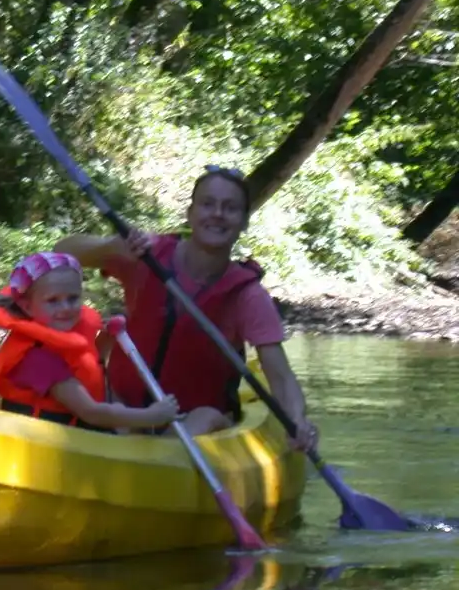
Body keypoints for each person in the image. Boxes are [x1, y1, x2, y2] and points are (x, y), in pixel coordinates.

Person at [53, 165, 319, 451]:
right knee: (107, 408)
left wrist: (297, 421)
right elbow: (62, 252)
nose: (217, 214)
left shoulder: (248, 296)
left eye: (230, 208)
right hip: (124, 408)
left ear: (243, 222)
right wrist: (111, 246)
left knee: (205, 418)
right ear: (190, 214)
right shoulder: (146, 254)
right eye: (208, 204)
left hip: (195, 423)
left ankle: (157, 461)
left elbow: (280, 375)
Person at [0, 250, 180, 432]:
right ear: (28, 307)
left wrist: (107, 339)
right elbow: (90, 411)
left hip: (82, 427)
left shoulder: (67, 334)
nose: (65, 307)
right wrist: (152, 416)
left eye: (73, 298)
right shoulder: (37, 359)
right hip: (56, 440)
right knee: (126, 414)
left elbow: (93, 364)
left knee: (208, 415)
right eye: (53, 301)